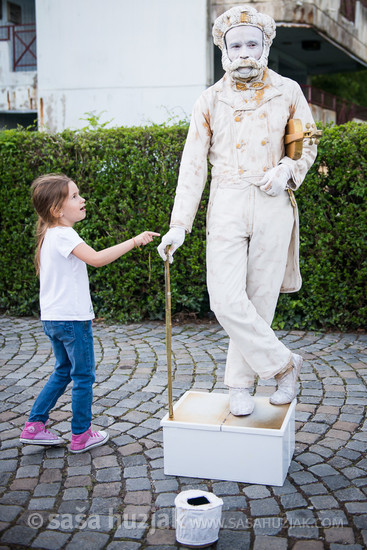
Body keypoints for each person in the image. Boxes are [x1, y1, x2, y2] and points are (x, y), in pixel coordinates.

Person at [157, 5, 318, 416]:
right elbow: (192, 165)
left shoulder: (289, 90)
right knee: (226, 300)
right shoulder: (209, 100)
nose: (245, 52)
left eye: (252, 43)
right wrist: (179, 225)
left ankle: (240, 386)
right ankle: (284, 365)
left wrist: (288, 168)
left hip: (273, 202)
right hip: (227, 200)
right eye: (236, 45)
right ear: (224, 49)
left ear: (265, 44)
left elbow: (306, 142)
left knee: (259, 301)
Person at [20, 173, 159, 452]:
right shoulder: (64, 234)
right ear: (57, 210)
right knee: (83, 376)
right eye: (74, 196)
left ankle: (34, 426)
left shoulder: (51, 234)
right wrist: (135, 240)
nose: (82, 199)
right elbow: (96, 259)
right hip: (72, 320)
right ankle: (81, 435)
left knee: (63, 371)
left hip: (53, 318)